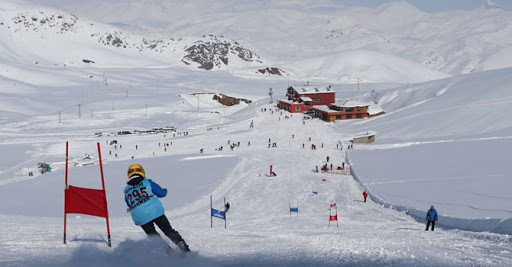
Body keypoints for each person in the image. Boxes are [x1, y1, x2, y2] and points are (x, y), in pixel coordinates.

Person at [124, 164, 190, 252]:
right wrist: (165, 190)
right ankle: (183, 247)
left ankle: (168, 253)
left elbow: (129, 203)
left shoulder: (126, 189)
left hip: (140, 216)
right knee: (168, 231)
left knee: (154, 237)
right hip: (155, 211)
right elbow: (161, 193)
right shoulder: (147, 182)